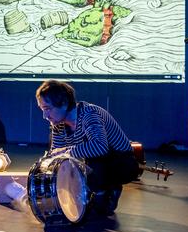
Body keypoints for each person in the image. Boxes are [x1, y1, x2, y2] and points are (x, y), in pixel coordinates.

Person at [35, 80, 139, 216]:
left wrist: (66, 152)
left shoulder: (89, 114)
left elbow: (100, 147)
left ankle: (108, 191)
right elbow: (57, 156)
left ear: (64, 103)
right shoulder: (58, 125)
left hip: (122, 163)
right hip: (97, 161)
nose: (45, 116)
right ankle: (97, 191)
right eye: (42, 110)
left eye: (47, 109)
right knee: (64, 160)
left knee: (94, 158)